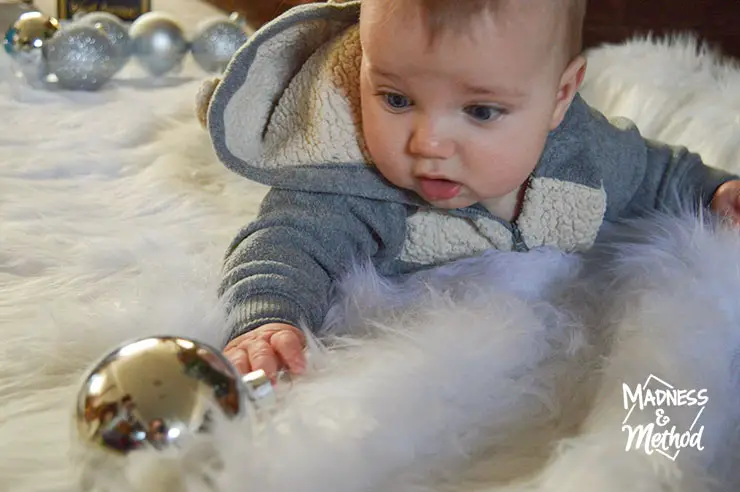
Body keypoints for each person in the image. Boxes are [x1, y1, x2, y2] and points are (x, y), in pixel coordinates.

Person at [200, 0, 740, 378]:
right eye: (394, 98)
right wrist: (267, 317)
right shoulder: (346, 174)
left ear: (560, 97)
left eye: (480, 111)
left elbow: (653, 171)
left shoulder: (583, 151)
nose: (428, 142)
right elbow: (284, 243)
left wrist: (714, 191)